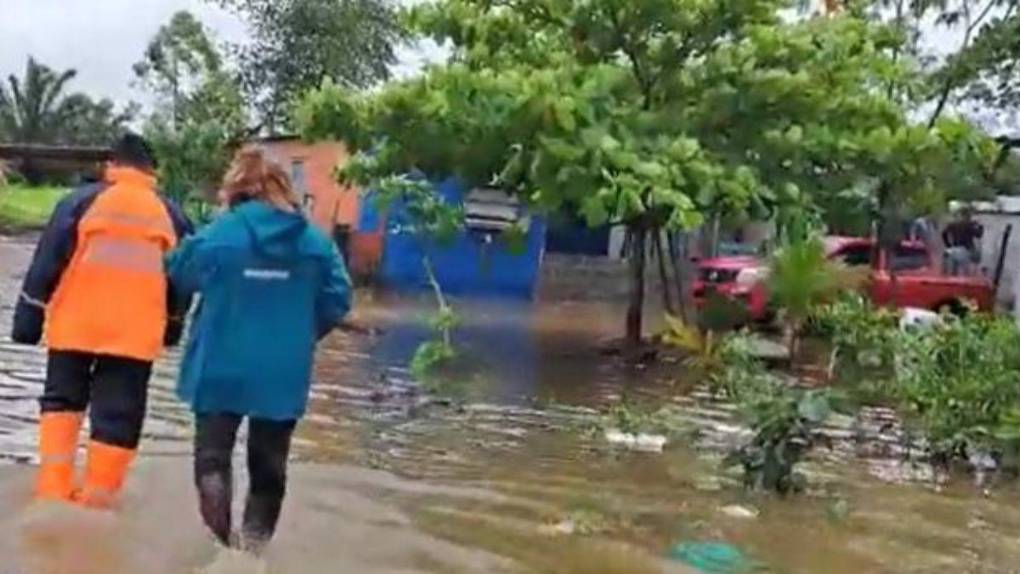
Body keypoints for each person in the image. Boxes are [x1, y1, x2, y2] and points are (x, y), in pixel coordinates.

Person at [167, 149, 351, 551]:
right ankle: (252, 556)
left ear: (235, 187)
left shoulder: (220, 233)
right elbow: (338, 298)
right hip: (281, 371)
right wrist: (299, 334)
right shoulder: (315, 243)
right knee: (269, 468)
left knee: (212, 459)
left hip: (219, 362)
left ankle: (222, 550)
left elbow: (179, 272)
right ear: (285, 188)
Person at [11, 133, 193, 507]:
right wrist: (173, 325)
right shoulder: (172, 216)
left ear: (111, 165)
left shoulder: (78, 203)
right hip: (134, 336)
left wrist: (28, 318)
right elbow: (181, 281)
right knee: (118, 416)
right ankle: (97, 502)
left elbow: (46, 263)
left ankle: (53, 493)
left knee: (62, 404)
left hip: (74, 328)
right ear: (151, 171)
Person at [942, 206, 984, 275]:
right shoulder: (969, 225)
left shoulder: (953, 224)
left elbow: (943, 233)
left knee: (952, 272)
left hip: (954, 249)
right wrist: (980, 226)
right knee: (977, 256)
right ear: (968, 215)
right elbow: (979, 235)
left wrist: (948, 245)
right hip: (966, 250)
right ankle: (973, 274)